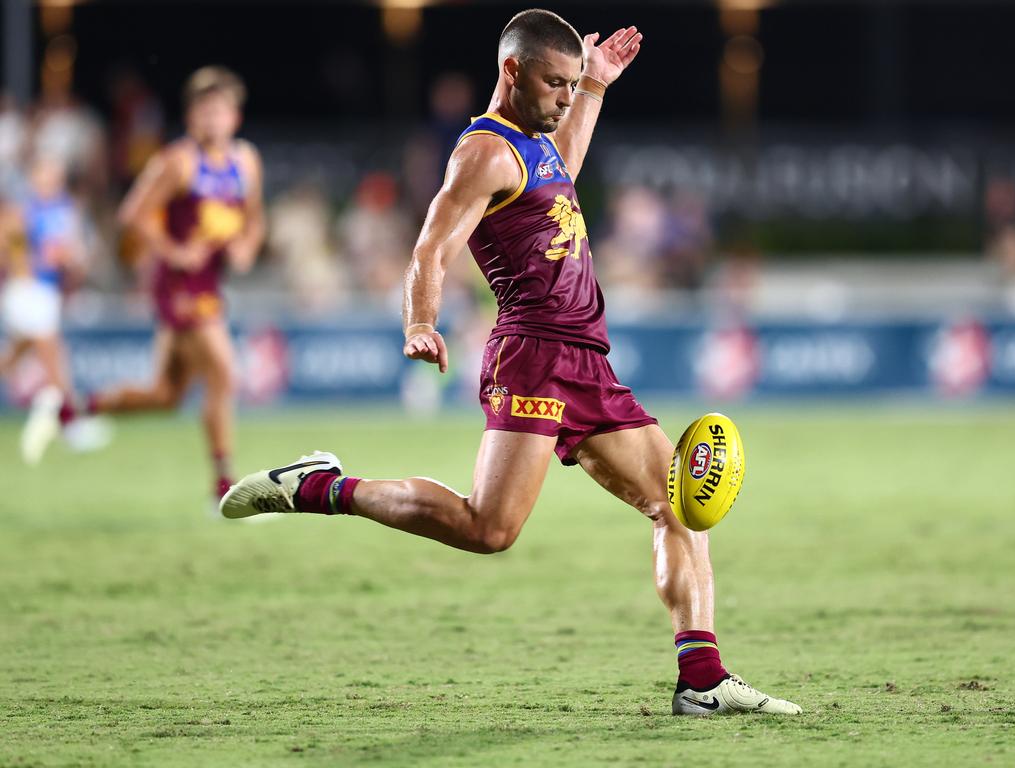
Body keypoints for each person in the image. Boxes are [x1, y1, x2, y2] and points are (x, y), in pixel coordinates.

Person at [221, 10, 801, 716]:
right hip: (532, 355)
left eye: (570, 83)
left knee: (677, 505)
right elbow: (430, 248)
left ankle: (702, 680)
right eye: (555, 83)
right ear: (512, 71)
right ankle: (321, 486)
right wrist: (421, 321)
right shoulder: (484, 152)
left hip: (586, 360)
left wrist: (597, 87)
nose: (563, 95)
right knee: (487, 529)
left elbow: (567, 168)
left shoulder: (538, 142)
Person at [57, 67, 266, 502]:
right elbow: (131, 213)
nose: (212, 120)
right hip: (178, 287)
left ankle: (77, 409)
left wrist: (246, 245)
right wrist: (173, 251)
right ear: (192, 117)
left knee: (166, 395)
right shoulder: (178, 162)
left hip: (210, 284)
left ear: (235, 118)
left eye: (221, 111)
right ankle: (225, 489)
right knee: (224, 372)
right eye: (204, 111)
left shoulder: (246, 162)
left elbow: (254, 218)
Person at [0, 153, 103, 463]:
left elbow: (74, 250)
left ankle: (70, 422)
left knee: (15, 357)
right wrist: (33, 263)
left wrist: (72, 262)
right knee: (54, 361)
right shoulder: (23, 211)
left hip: (47, 292)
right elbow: (12, 251)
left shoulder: (66, 209)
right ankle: (71, 425)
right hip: (28, 291)